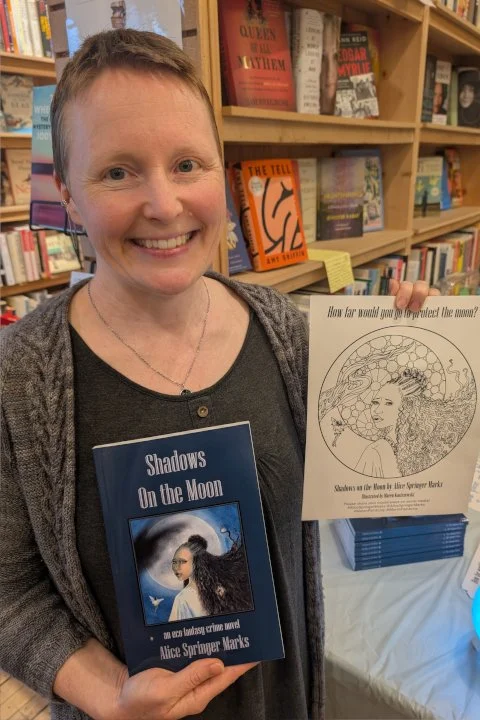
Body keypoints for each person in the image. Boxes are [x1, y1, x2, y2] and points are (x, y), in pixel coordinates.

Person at [0, 28, 438, 720]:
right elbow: (8, 590)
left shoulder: (287, 333)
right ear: (69, 197)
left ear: (220, 170)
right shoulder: (20, 379)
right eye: (117, 172)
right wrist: (108, 694)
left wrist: (415, 356)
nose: (164, 204)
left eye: (187, 164)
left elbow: (372, 480)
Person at [169, 534, 253, 621]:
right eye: (174, 562)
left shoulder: (182, 599)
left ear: (195, 562)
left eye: (183, 561)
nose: (176, 567)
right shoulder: (216, 589)